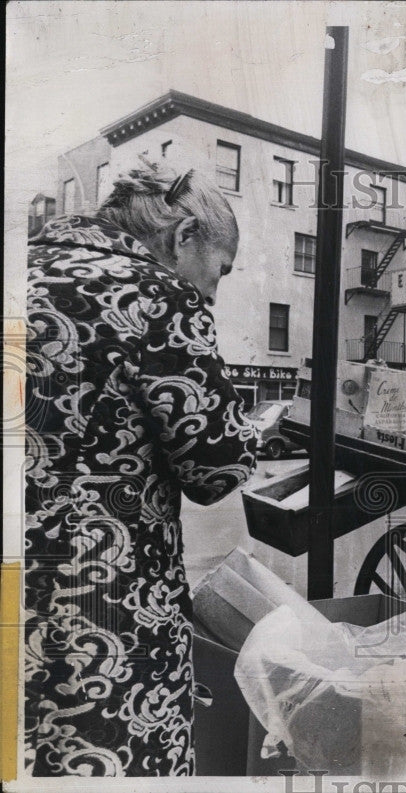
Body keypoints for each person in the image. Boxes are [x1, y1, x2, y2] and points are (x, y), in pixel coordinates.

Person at [23, 160, 259, 776]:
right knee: (109, 759)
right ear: (184, 238)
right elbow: (218, 469)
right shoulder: (159, 296)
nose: (213, 292)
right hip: (103, 607)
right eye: (220, 271)